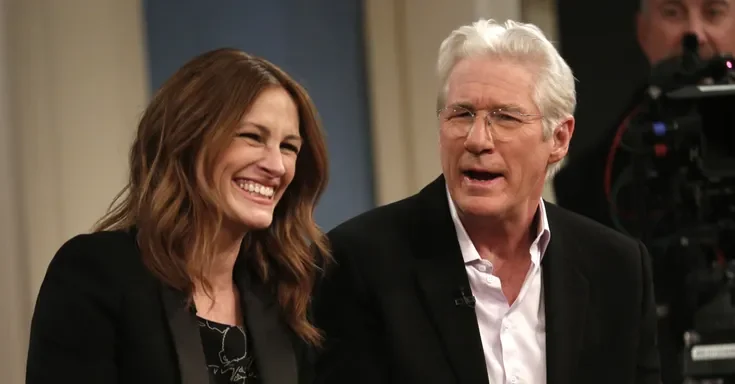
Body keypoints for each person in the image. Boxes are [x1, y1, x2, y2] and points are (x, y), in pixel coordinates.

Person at [312, 19, 661, 384]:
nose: (477, 140)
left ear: (558, 138)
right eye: (461, 114)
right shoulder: (359, 261)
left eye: (505, 117)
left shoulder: (618, 268)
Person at [26, 48, 330, 384]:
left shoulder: (286, 291)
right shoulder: (97, 272)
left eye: (289, 147)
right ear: (187, 140)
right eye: (251, 137)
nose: (276, 166)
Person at [552, 1, 734, 381]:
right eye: (673, 13)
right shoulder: (596, 177)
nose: (695, 34)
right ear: (642, 30)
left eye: (714, 13)